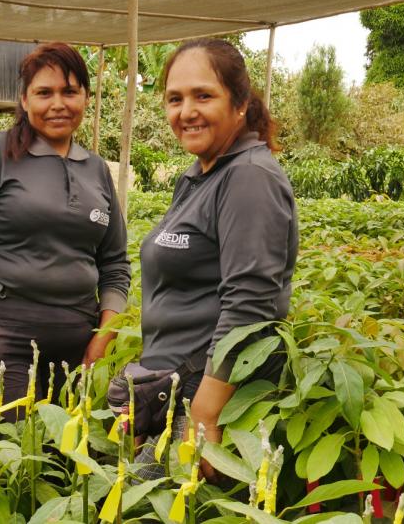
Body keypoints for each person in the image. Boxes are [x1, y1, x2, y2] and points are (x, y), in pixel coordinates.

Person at [0, 42, 131, 419]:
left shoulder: (96, 170)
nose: (58, 103)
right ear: (24, 100)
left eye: (69, 92)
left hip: (80, 340)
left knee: (69, 461)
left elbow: (115, 264)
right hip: (4, 335)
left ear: (86, 98)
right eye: (44, 93)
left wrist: (104, 338)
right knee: (11, 455)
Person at [137, 38, 298, 479]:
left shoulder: (248, 177)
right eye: (175, 99)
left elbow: (250, 303)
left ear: (241, 103)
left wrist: (205, 416)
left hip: (206, 396)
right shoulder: (202, 174)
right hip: (173, 388)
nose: (186, 111)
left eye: (203, 95)